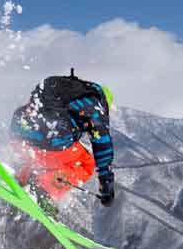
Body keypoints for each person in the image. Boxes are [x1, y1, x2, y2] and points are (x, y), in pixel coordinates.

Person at [11, 69, 115, 216]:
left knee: (49, 152)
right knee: (86, 162)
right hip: (51, 138)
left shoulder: (68, 89)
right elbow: (102, 144)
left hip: (21, 131)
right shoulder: (96, 105)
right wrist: (107, 185)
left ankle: (24, 177)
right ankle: (43, 189)